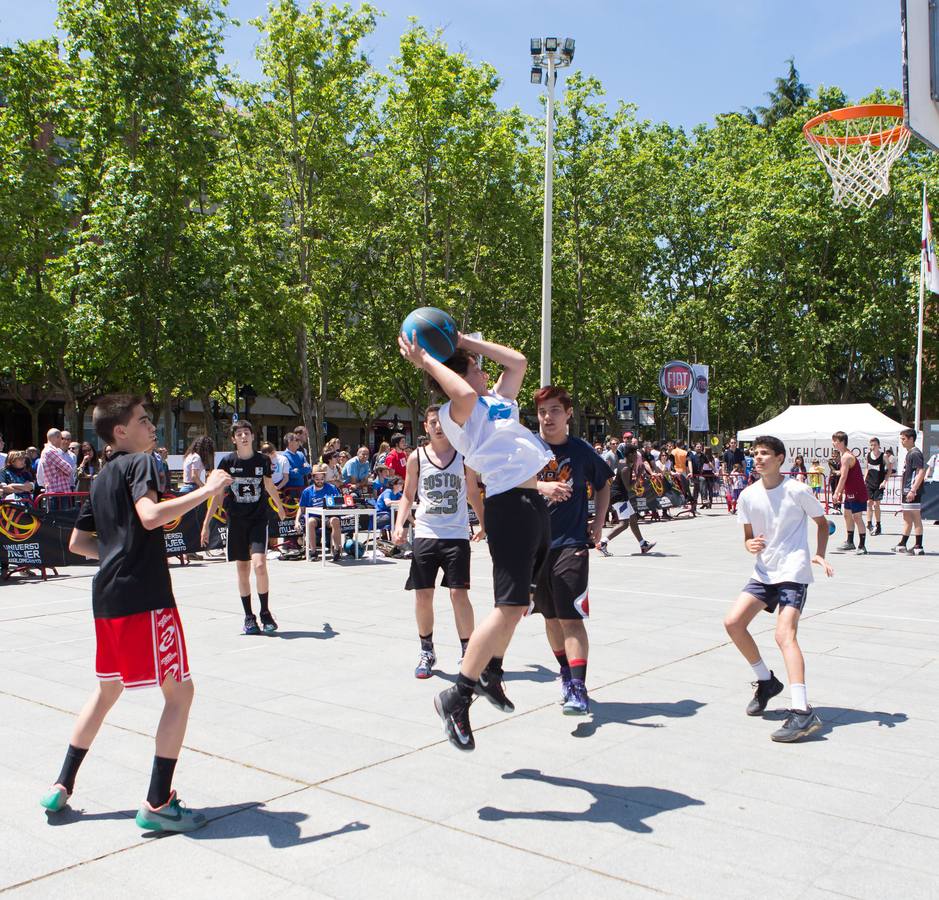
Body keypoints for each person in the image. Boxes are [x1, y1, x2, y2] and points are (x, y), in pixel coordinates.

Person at [41, 394, 232, 830]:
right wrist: (206, 490)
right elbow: (149, 516)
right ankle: (158, 803)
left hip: (106, 597)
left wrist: (115, 554)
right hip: (144, 596)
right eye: (145, 420)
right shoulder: (142, 463)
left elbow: (77, 543)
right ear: (121, 432)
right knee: (180, 694)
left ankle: (61, 784)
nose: (153, 427)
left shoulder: (103, 477)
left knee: (107, 690)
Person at [398, 329, 552, 752]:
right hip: (509, 506)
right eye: (475, 369)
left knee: (522, 604)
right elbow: (463, 394)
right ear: (460, 376)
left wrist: (466, 341)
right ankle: (458, 695)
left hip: (532, 502)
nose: (484, 371)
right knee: (507, 608)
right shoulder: (454, 412)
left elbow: (517, 362)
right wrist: (429, 361)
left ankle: (492, 672)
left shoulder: (498, 402)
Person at [722, 434, 833, 743]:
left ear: (780, 458)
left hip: (793, 571)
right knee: (733, 623)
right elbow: (747, 536)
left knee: (784, 635)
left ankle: (801, 711)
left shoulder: (797, 490)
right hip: (764, 572)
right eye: (755, 453)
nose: (758, 458)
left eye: (765, 453)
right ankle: (766, 681)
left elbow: (823, 523)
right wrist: (750, 544)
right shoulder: (747, 495)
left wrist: (820, 554)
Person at [532, 386, 611, 715]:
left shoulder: (580, 451)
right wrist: (541, 485)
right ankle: (565, 674)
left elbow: (605, 483)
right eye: (542, 412)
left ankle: (579, 687)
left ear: (568, 415)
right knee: (550, 618)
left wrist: (599, 522)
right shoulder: (528, 449)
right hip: (534, 548)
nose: (547, 417)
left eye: (554, 410)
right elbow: (502, 481)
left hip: (571, 545)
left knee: (571, 618)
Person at [393, 405, 485, 679]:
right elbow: (408, 494)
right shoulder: (416, 457)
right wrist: (399, 524)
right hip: (426, 534)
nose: (437, 426)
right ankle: (426, 649)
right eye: (432, 422)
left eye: (442, 421)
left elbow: (472, 491)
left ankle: (468, 652)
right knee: (423, 594)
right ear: (425, 426)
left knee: (459, 594)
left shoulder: (463, 456)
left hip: (455, 535)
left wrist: (484, 522)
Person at [201, 420, 286, 634]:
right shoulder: (227, 463)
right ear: (233, 439)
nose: (243, 437)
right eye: (239, 434)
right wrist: (206, 523)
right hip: (237, 520)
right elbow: (218, 494)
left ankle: (265, 612)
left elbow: (268, 485)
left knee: (259, 565)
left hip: (258, 519)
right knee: (242, 568)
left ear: (252, 436)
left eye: (246, 433)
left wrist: (280, 507)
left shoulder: (263, 460)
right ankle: (249, 616)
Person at [605, 445, 656, 554]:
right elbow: (629, 487)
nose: (637, 457)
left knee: (633, 519)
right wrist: (639, 475)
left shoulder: (626, 463)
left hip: (621, 495)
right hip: (618, 497)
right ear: (630, 455)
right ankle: (603, 543)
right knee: (624, 523)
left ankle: (643, 544)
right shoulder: (625, 468)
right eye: (635, 454)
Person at [295, 464, 343, 562]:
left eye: (322, 478)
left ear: (324, 478)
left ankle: (337, 550)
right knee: (310, 522)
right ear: (313, 478)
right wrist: (297, 521)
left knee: (335, 520)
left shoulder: (332, 488)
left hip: (329, 516)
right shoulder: (307, 491)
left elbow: (339, 502)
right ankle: (313, 552)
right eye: (317, 478)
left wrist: (336, 506)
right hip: (315, 517)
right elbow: (301, 508)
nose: (320, 481)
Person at [831, 431, 868, 555]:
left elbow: (843, 476)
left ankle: (862, 546)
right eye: (833, 440)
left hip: (857, 491)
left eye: (835, 441)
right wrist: (842, 492)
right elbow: (843, 475)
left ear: (842, 442)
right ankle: (850, 542)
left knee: (857, 517)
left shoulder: (846, 457)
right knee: (847, 515)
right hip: (850, 491)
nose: (833, 443)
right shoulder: (843, 455)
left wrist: (837, 492)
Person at [894, 428, 926, 556]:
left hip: (912, 491)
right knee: (907, 517)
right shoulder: (909, 453)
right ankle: (903, 543)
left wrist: (913, 490)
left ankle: (918, 546)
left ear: (911, 439)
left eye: (904, 439)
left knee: (915, 517)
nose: (902, 441)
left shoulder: (915, 453)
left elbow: (921, 472)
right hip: (906, 490)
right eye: (901, 439)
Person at [40, 428, 76, 508]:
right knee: (60, 518)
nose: (62, 441)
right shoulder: (50, 451)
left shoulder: (48, 451)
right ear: (55, 438)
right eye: (61, 438)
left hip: (58, 492)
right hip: (58, 492)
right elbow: (68, 469)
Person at [864, 437, 890, 536]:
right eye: (871, 445)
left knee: (876, 504)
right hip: (869, 482)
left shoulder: (884, 456)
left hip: (879, 483)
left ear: (879, 445)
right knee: (869, 503)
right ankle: (869, 523)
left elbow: (890, 469)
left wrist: (885, 481)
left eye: (875, 445)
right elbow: (867, 468)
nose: (873, 447)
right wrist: (864, 479)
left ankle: (878, 525)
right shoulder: (868, 456)